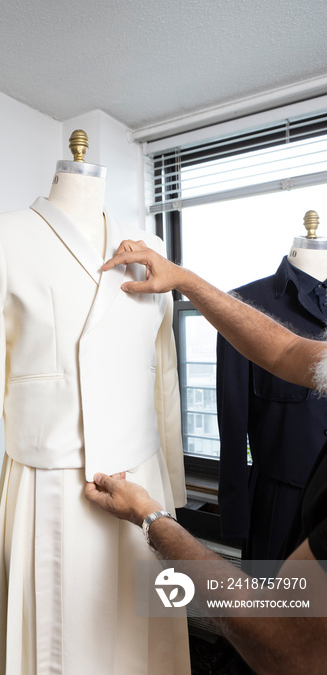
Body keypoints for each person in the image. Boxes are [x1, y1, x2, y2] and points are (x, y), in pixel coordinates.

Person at [85, 239, 327, 675]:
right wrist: (185, 280)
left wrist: (151, 516)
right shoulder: (257, 300)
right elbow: (288, 351)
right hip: (276, 503)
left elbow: (279, 642)